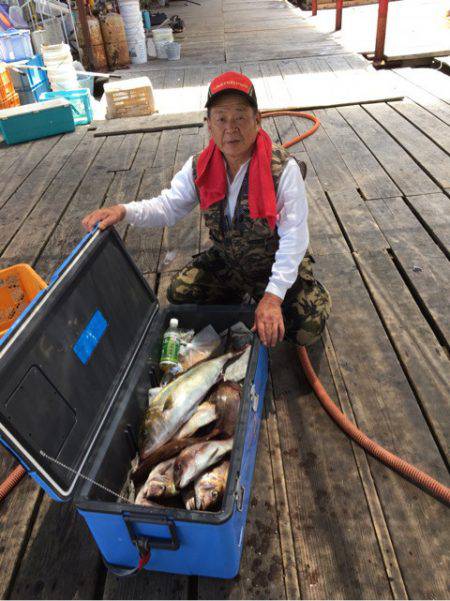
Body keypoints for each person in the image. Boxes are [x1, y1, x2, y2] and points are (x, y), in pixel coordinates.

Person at [82, 71, 331, 348]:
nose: (230, 127)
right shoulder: (199, 167)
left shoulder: (284, 170)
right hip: (229, 261)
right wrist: (123, 211)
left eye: (240, 116)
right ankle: (242, 300)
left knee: (307, 328)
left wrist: (273, 296)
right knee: (180, 294)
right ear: (208, 125)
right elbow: (168, 207)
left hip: (273, 262)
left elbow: (294, 239)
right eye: (221, 118)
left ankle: (294, 293)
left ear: (257, 120)